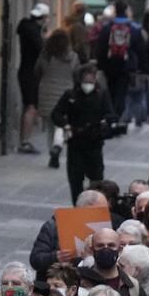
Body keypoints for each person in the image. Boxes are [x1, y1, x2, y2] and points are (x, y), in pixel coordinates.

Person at [51, 64, 115, 203]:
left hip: (94, 143)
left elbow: (111, 115)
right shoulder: (71, 95)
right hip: (76, 143)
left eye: (91, 81)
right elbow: (56, 114)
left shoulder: (101, 94)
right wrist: (66, 125)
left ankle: (94, 205)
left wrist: (103, 125)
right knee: (75, 180)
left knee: (96, 180)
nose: (89, 84)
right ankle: (78, 206)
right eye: (86, 81)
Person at [37, 27, 80, 169]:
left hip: (47, 91)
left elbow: (37, 70)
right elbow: (77, 74)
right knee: (61, 123)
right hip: (65, 93)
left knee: (50, 124)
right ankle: (57, 145)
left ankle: (52, 152)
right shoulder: (73, 57)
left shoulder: (46, 55)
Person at [16, 2, 49, 153]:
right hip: (30, 73)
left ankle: (24, 140)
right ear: (44, 18)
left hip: (25, 71)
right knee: (31, 107)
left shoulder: (26, 28)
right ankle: (25, 142)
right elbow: (43, 50)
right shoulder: (35, 32)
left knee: (29, 106)